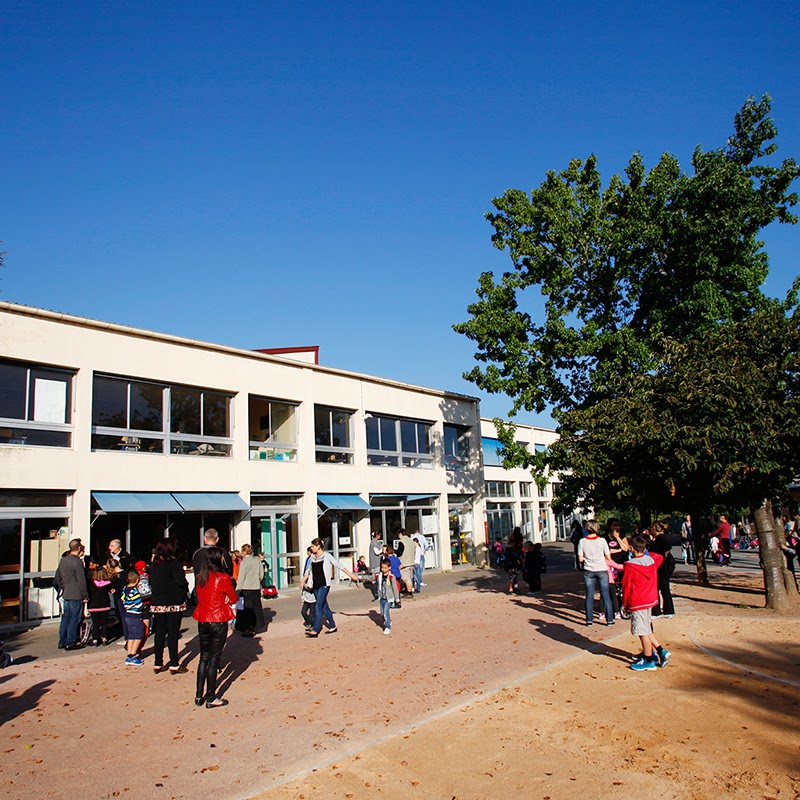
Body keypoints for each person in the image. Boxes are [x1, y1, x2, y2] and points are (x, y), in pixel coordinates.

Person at [617, 535, 671, 671]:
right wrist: (646, 552)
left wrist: (625, 603)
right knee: (646, 627)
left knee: (641, 631)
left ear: (631, 548)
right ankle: (660, 650)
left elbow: (626, 585)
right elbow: (658, 557)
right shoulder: (651, 561)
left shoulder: (630, 566)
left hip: (637, 600)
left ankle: (649, 660)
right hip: (649, 599)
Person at [193, 546, 238, 708]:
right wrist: (227, 597)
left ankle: (199, 695)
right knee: (213, 659)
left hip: (203, 618)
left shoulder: (200, 577)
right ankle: (211, 696)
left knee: (204, 657)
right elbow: (233, 598)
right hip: (217, 619)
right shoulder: (223, 577)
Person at [302, 538, 360, 637]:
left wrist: (351, 575)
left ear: (318, 546)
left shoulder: (327, 556)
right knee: (325, 607)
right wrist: (303, 581)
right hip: (315, 585)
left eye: (313, 546)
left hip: (324, 585)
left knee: (318, 606)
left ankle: (315, 629)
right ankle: (333, 626)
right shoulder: (312, 557)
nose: (311, 548)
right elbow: (308, 571)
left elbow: (339, 565)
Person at [149, 538, 190, 674]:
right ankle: (174, 663)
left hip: (158, 601)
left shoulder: (154, 564)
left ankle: (157, 662)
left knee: (160, 632)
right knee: (173, 632)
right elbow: (180, 581)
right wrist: (185, 588)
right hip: (173, 601)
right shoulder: (173, 563)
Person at [577, 520, 614, 626]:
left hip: (589, 569)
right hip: (601, 568)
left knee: (589, 595)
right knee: (605, 594)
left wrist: (588, 558)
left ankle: (589, 619)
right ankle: (610, 619)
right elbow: (608, 556)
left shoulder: (582, 541)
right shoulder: (602, 541)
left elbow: (580, 559)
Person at [55, 538, 88, 650]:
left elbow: (58, 576)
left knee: (66, 617)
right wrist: (85, 594)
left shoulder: (63, 560)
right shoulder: (77, 561)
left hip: (67, 592)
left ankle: (62, 640)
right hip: (76, 593)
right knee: (75, 618)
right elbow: (81, 579)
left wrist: (64, 586)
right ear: (79, 548)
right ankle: (71, 641)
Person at [649, 521, 680, 618]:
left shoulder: (661, 538)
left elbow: (667, 549)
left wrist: (663, 558)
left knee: (662, 588)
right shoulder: (657, 539)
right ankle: (661, 610)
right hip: (659, 565)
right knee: (661, 588)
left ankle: (664, 610)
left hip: (662, 566)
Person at [236, 543, 266, 637]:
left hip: (246, 588)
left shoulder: (244, 562)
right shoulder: (257, 561)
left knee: (246, 609)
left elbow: (241, 577)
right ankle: (256, 626)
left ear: (244, 552)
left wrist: (237, 589)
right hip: (256, 587)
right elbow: (261, 575)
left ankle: (248, 629)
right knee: (256, 608)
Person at [120, 569, 145, 666]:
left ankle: (129, 654)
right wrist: (144, 607)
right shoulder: (134, 591)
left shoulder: (125, 589)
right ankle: (132, 655)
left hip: (128, 614)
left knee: (131, 636)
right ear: (137, 580)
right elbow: (139, 605)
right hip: (135, 614)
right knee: (138, 636)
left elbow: (122, 599)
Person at [87, 565, 113, 646]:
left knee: (95, 623)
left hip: (94, 605)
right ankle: (104, 638)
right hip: (104, 605)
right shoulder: (108, 584)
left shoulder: (91, 584)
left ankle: (95, 639)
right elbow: (111, 590)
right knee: (104, 623)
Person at [376, 557, 401, 635]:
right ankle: (388, 621)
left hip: (388, 598)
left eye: (385, 568)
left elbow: (395, 588)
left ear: (389, 568)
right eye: (382, 568)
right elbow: (370, 578)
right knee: (382, 613)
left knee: (386, 612)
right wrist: (359, 577)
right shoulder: (379, 576)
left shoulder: (391, 577)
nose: (383, 569)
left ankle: (387, 627)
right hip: (381, 597)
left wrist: (397, 599)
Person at [396, 529, 416, 595]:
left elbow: (399, 552)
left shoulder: (402, 541)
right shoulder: (411, 541)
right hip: (411, 562)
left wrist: (394, 551)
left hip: (404, 563)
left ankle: (409, 592)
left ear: (400, 534)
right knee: (409, 577)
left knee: (406, 579)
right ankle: (407, 589)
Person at [367, 531, 384, 600]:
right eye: (379, 535)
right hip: (376, 563)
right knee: (378, 579)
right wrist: (382, 550)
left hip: (378, 562)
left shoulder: (376, 542)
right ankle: (377, 593)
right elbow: (376, 552)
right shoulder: (373, 543)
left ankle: (378, 593)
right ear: (377, 535)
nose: (380, 536)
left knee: (378, 579)